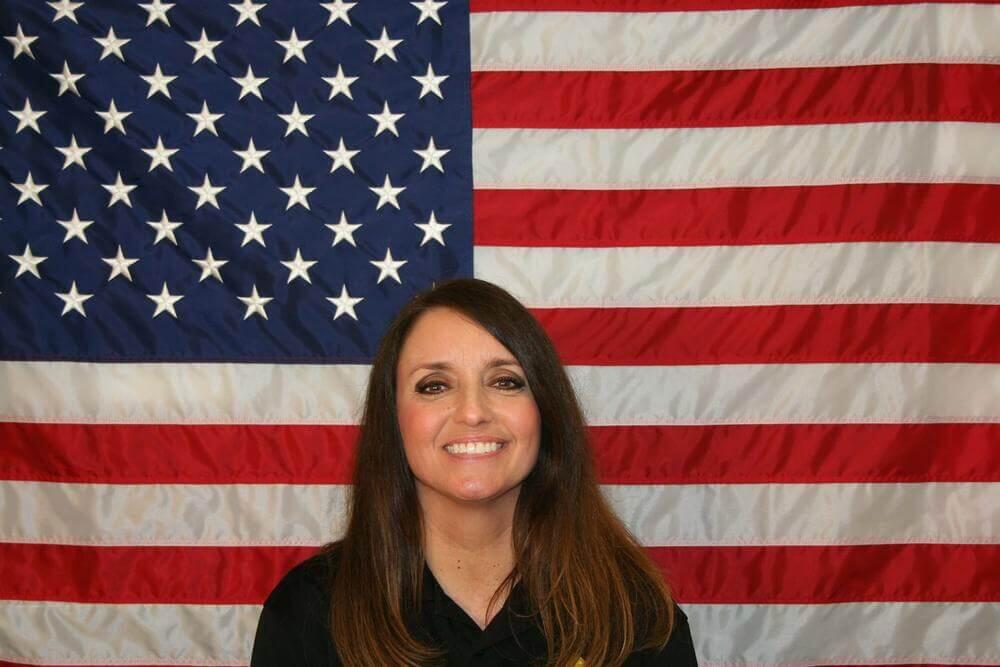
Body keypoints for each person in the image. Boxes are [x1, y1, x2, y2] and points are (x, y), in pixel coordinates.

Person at [251, 279, 697, 666]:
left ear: (545, 410)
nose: (472, 412)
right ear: (394, 419)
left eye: (505, 381)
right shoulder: (309, 612)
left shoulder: (635, 616)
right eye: (434, 386)